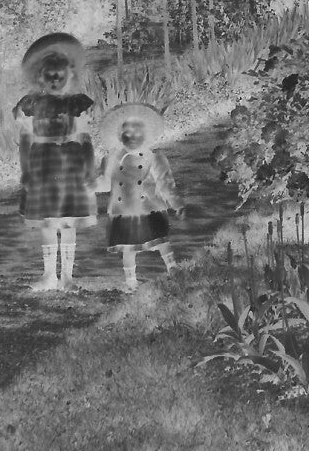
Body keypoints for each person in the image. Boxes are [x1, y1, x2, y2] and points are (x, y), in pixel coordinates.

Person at [15, 32, 97, 291]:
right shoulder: (32, 104)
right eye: (49, 75)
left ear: (69, 75)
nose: (55, 79)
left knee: (68, 221)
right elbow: (26, 140)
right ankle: (49, 274)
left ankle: (68, 277)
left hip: (70, 163)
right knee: (49, 221)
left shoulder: (76, 104)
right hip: (43, 163)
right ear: (40, 76)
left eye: (60, 75)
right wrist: (26, 171)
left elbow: (85, 138)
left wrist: (89, 168)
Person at [100, 102, 183, 291]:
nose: (132, 138)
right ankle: (131, 281)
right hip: (124, 210)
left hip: (149, 208)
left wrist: (177, 203)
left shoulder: (154, 158)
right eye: (127, 134)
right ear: (119, 136)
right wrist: (90, 186)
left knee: (161, 239)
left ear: (146, 135)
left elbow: (165, 182)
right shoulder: (112, 160)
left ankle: (173, 269)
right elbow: (106, 183)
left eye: (138, 134)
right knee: (128, 247)